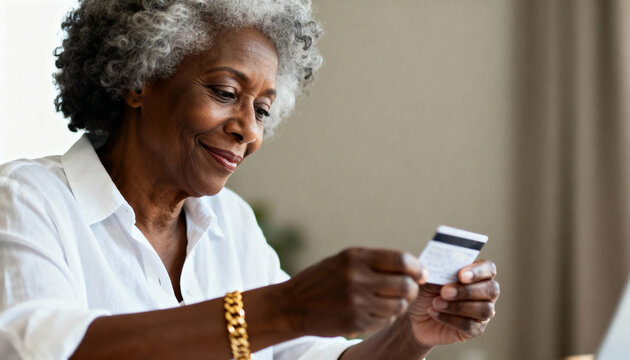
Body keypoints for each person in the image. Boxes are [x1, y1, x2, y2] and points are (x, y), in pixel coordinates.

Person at [0, 1, 500, 359]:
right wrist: (287, 307)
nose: (248, 130)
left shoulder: (229, 223)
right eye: (223, 91)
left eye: (261, 109)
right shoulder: (27, 200)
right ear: (139, 79)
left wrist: (411, 336)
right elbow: (44, 349)